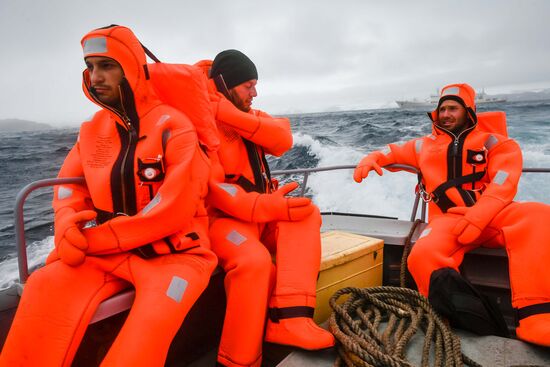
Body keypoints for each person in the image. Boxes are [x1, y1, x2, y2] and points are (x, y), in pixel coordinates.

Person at [0, 25, 217, 366]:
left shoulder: (174, 126)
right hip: (105, 253)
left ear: (131, 69)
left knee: (144, 336)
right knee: (43, 285)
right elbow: (68, 188)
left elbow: (173, 209)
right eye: (90, 66)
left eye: (107, 65)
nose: (95, 76)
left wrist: (94, 240)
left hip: (176, 255)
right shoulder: (91, 131)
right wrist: (66, 223)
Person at [353, 83, 550, 346]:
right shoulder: (424, 146)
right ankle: (446, 321)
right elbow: (393, 151)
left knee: (538, 215)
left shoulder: (497, 143)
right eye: (441, 108)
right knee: (421, 256)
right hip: (449, 220)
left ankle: (535, 317)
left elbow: (504, 182)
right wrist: (373, 157)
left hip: (494, 215)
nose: (445, 113)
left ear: (468, 111)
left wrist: (479, 216)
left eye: (453, 108)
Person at [195, 50, 335, 367]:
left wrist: (229, 114)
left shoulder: (248, 115)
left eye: (255, 85)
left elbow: (282, 139)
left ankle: (290, 319)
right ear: (223, 84)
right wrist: (265, 205)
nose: (255, 93)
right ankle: (237, 360)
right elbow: (216, 191)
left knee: (306, 214)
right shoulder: (199, 126)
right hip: (222, 221)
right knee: (256, 262)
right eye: (248, 85)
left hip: (259, 214)